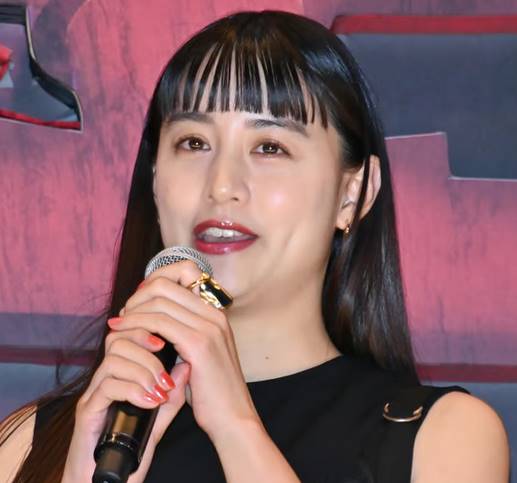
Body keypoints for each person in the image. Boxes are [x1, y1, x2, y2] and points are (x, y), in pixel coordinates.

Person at [0, 10, 509, 483]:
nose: (222, 184)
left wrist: (236, 426)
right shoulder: (29, 440)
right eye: (194, 143)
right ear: (155, 181)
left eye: (270, 147)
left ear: (353, 194)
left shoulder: (443, 439)